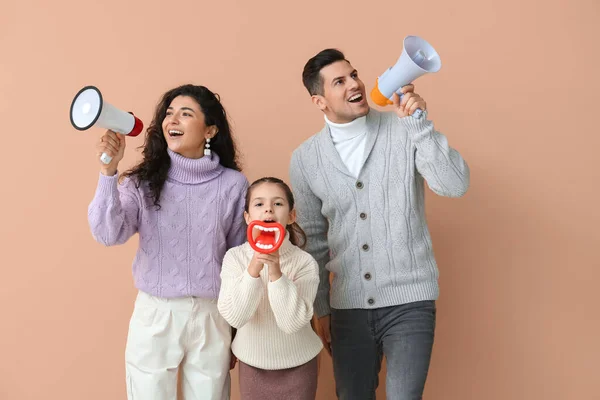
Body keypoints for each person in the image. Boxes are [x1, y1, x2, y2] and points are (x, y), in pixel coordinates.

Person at [289, 49, 470, 400]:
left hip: (410, 301)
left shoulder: (403, 130)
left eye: (353, 74)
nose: (354, 84)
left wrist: (418, 123)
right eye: (339, 82)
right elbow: (312, 239)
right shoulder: (306, 158)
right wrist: (321, 309)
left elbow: (455, 185)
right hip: (348, 308)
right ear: (319, 100)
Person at [88, 84, 249, 400]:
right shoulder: (141, 182)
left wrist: (236, 328)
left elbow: (238, 260)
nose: (172, 120)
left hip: (212, 315)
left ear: (210, 129)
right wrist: (108, 171)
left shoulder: (234, 184)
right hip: (155, 315)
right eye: (169, 113)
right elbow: (107, 234)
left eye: (186, 114)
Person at [217, 177, 323, 400]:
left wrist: (276, 273)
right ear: (248, 217)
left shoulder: (305, 263)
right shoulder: (234, 258)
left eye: (277, 203)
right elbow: (235, 317)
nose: (268, 209)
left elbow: (291, 322)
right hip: (253, 365)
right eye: (259, 204)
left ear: (291, 216)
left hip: (299, 365)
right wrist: (254, 268)